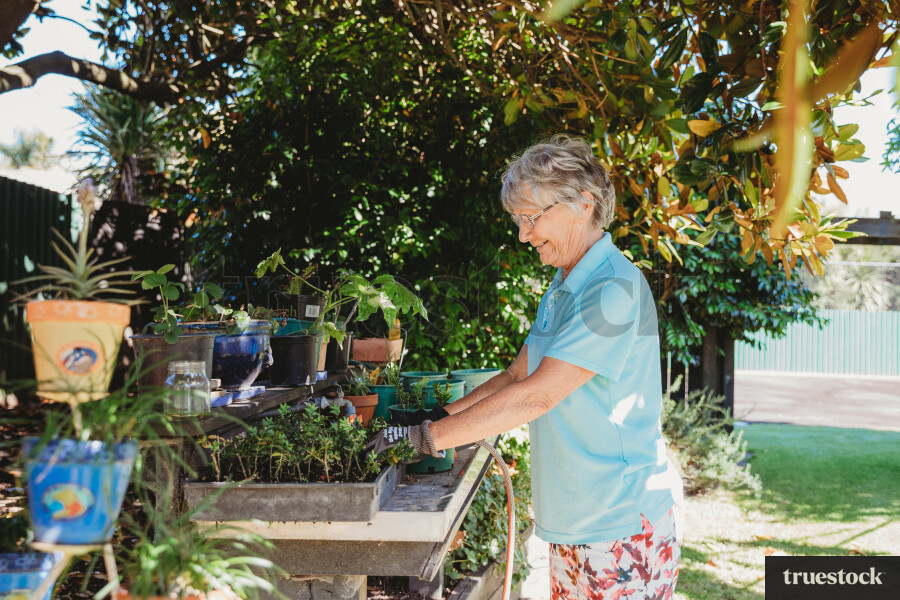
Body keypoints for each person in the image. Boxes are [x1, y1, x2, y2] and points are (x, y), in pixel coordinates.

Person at [366, 135, 684, 599]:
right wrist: (436, 419)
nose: (523, 234)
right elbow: (518, 376)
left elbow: (539, 395)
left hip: (619, 524)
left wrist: (422, 439)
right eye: (519, 220)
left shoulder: (612, 289)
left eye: (532, 217)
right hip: (578, 523)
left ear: (583, 204)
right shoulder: (566, 284)